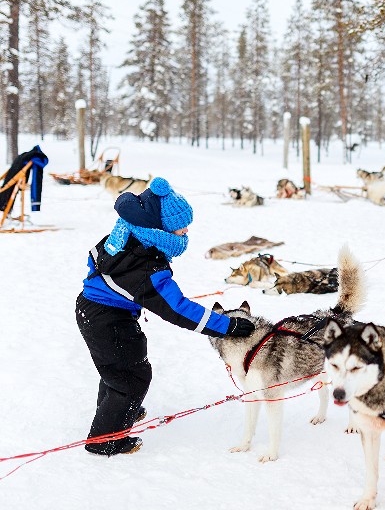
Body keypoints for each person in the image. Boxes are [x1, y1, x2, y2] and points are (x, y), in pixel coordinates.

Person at [75, 177, 254, 456]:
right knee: (131, 378)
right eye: (180, 227)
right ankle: (105, 441)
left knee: (119, 367)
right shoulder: (147, 268)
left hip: (98, 310)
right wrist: (227, 326)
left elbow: (94, 260)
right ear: (159, 228)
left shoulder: (127, 234)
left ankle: (120, 411)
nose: (185, 232)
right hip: (106, 317)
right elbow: (178, 308)